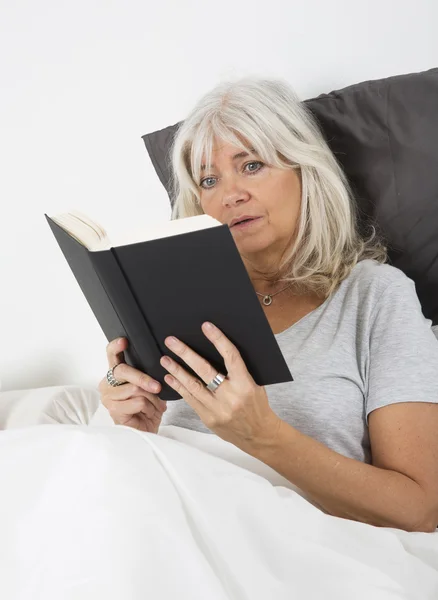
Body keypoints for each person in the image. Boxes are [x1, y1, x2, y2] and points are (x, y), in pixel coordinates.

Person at [99, 78, 438, 532]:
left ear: (306, 171)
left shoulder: (375, 297)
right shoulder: (174, 304)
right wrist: (134, 427)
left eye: (252, 165)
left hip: (283, 546)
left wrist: (264, 436)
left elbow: (421, 510)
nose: (229, 194)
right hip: (166, 525)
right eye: (209, 179)